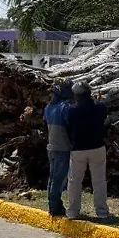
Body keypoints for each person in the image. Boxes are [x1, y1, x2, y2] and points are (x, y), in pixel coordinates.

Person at [65, 81, 111, 220]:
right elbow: (105, 119)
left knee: (74, 181)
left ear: (78, 96)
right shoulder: (100, 107)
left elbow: (68, 126)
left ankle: (73, 211)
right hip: (97, 147)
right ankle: (102, 212)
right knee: (99, 181)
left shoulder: (72, 110)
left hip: (78, 149)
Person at [44, 83, 73, 217]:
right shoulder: (64, 107)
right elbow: (70, 125)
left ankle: (53, 204)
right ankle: (55, 206)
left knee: (53, 177)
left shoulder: (48, 108)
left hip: (52, 147)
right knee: (59, 179)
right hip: (63, 148)